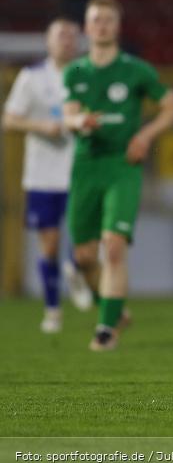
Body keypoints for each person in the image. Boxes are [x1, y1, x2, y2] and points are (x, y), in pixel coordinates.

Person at [62, 0, 173, 351]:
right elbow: (68, 115)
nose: (101, 25)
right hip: (86, 166)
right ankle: (113, 309)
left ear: (117, 26)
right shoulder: (76, 71)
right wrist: (78, 121)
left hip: (122, 166)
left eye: (108, 20)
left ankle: (105, 330)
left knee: (113, 247)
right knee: (84, 256)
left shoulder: (136, 70)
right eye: (95, 19)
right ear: (86, 27)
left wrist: (144, 136)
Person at [2, 18, 92, 332]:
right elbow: (9, 120)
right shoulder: (31, 77)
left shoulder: (88, 73)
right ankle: (53, 309)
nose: (67, 41)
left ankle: (76, 269)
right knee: (49, 244)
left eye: (72, 36)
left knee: (84, 244)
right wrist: (41, 127)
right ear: (48, 41)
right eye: (60, 35)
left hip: (81, 169)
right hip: (42, 173)